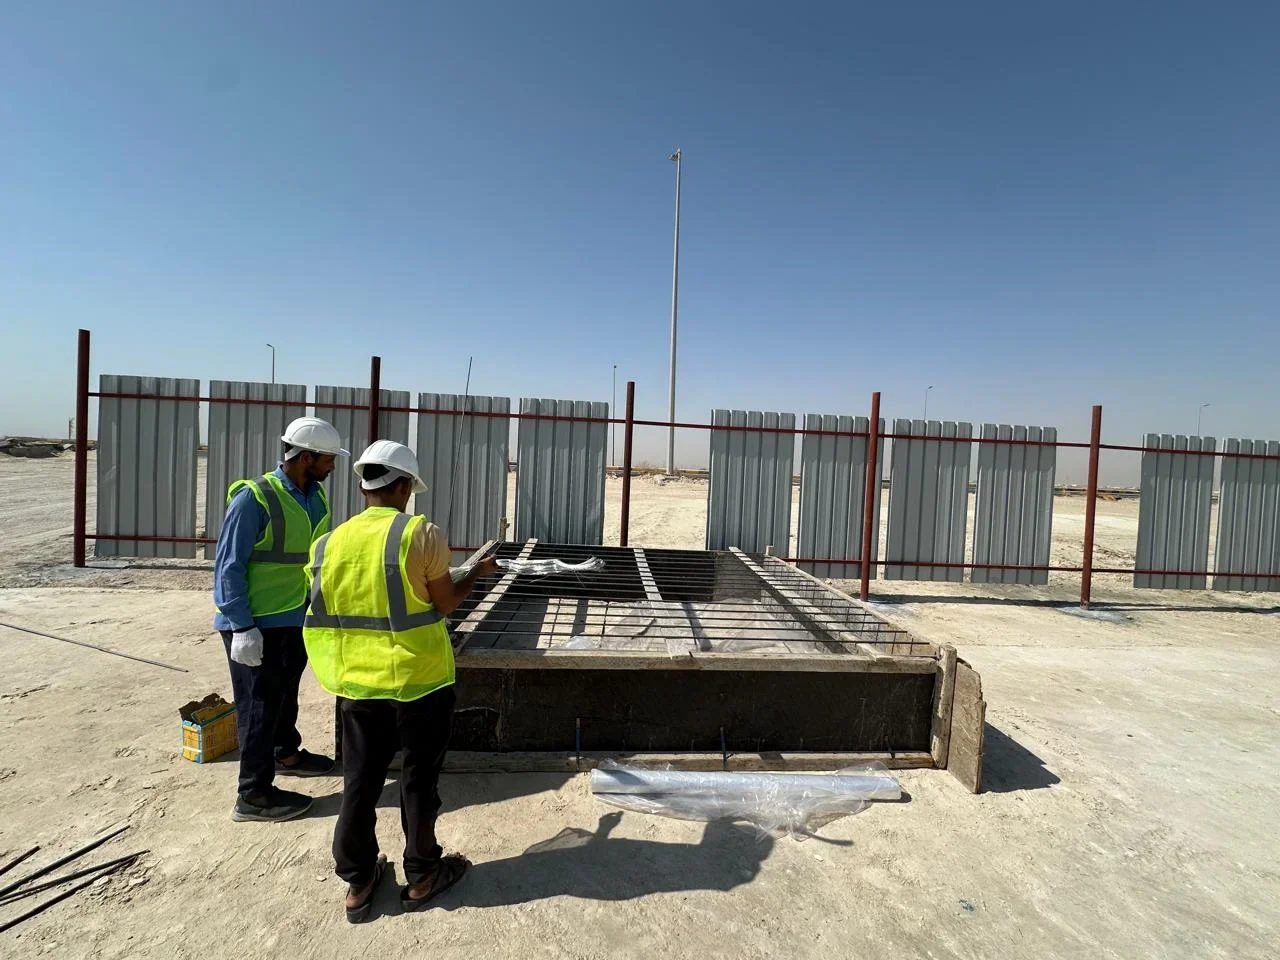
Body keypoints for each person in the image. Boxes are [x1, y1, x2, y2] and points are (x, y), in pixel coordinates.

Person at [303, 440, 498, 923]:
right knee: (417, 780)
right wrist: (477, 573)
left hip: (355, 683)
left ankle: (358, 880)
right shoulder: (421, 533)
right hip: (418, 681)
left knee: (360, 781)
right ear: (405, 485)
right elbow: (445, 601)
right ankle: (422, 874)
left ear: (365, 484)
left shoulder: (328, 542)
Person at [214, 416, 348, 823]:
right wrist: (241, 625)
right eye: (327, 458)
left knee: (285, 694)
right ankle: (253, 795)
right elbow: (228, 566)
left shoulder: (316, 497)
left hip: (295, 616)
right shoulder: (254, 498)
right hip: (256, 623)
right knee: (258, 706)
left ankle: (285, 753)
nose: (333, 466)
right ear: (305, 457)